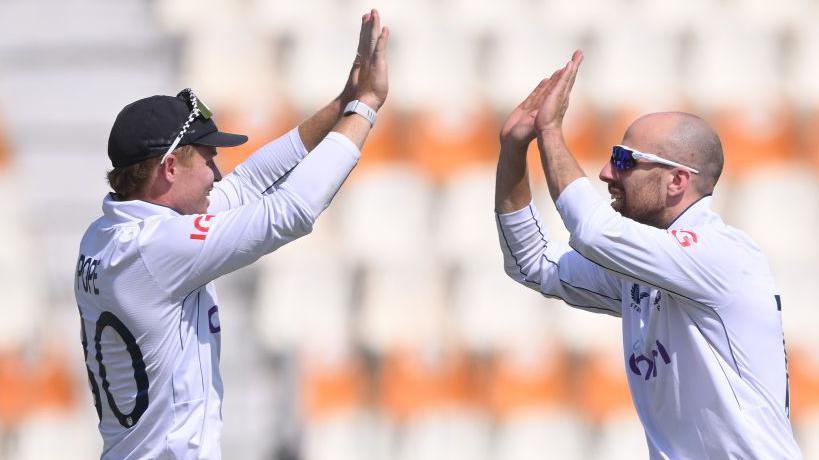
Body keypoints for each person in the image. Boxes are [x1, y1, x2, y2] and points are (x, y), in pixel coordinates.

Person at [73, 10, 388, 459]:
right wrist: (367, 107)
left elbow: (246, 186)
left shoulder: (106, 233)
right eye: (207, 159)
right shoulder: (157, 248)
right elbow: (290, 211)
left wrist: (341, 104)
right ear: (168, 169)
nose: (217, 174)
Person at [494, 50, 802, 458]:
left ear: (677, 180)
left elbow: (593, 232)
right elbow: (533, 264)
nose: (606, 172)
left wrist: (550, 133)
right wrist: (514, 151)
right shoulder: (648, 265)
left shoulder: (721, 254)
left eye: (624, 160)